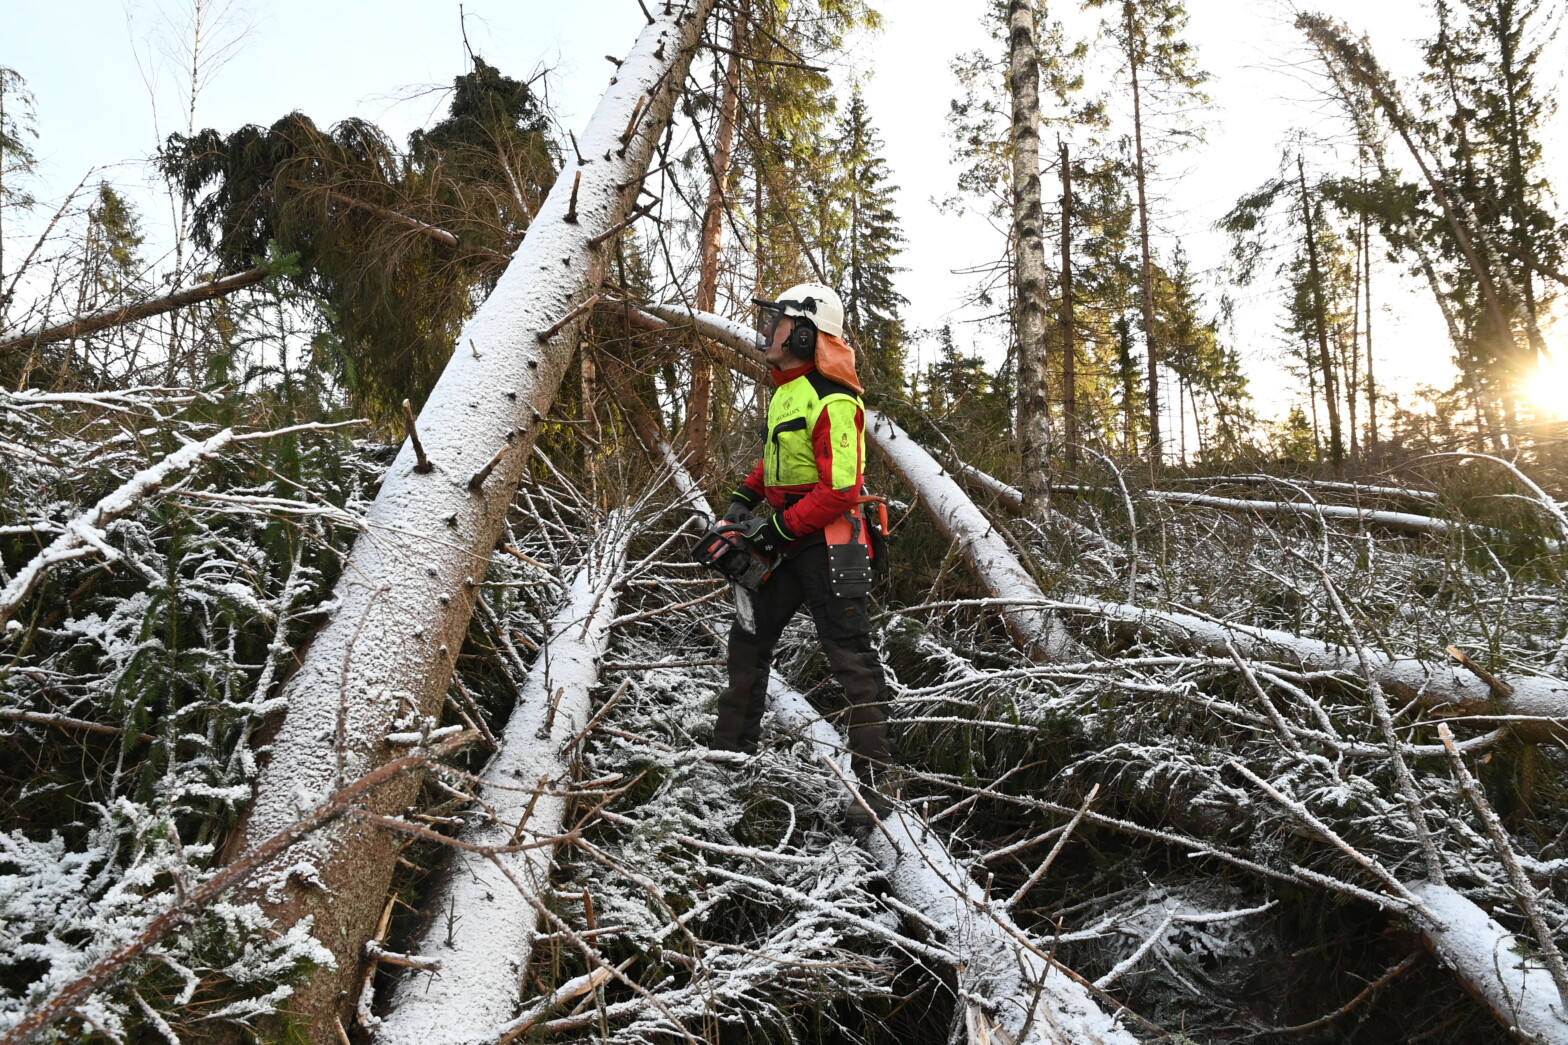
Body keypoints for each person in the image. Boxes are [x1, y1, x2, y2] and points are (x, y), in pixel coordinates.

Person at [711, 282, 897, 822]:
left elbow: (839, 487)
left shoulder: (835, 399)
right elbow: (777, 463)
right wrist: (741, 503)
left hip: (830, 540)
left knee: (849, 656)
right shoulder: (786, 390)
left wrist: (775, 533)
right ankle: (728, 758)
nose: (768, 332)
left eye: (778, 323)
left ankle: (876, 786)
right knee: (748, 638)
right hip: (790, 533)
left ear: (806, 331)